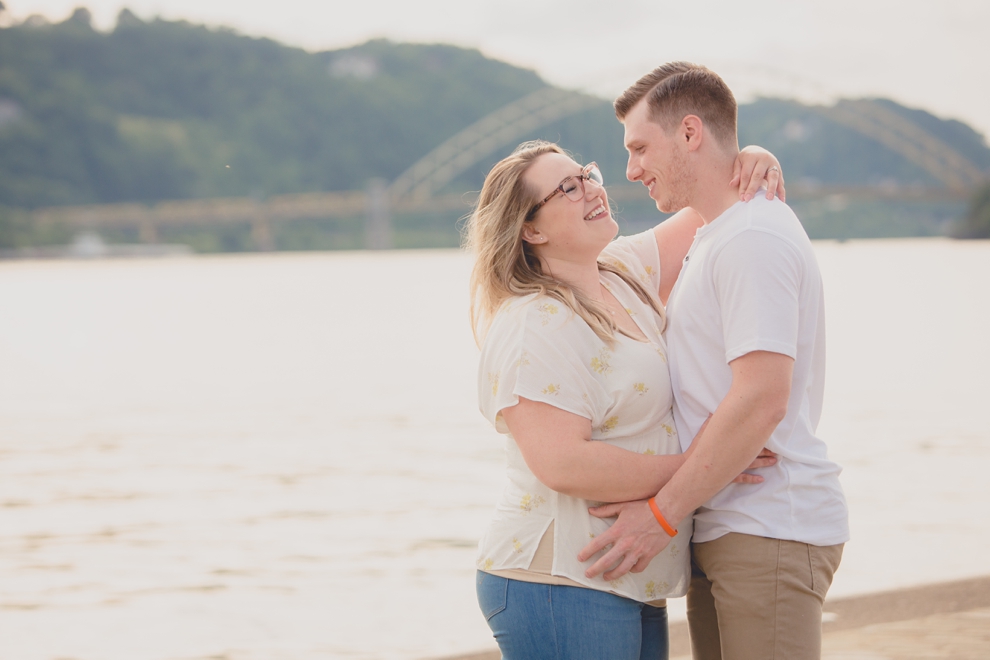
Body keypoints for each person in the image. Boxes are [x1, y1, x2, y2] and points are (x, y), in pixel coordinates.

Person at [467, 139, 785, 659]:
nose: (592, 190)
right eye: (567, 188)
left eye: (587, 174)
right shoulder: (533, 323)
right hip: (560, 579)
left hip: (626, 572)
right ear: (532, 229)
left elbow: (715, 201)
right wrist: (707, 465)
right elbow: (563, 463)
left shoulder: (618, 271)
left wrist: (752, 156)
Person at [579, 62, 849, 660]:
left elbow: (761, 398)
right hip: (726, 523)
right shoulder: (714, 233)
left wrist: (661, 515)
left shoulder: (753, 237)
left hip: (768, 525)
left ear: (691, 133)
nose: (631, 169)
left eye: (641, 147)